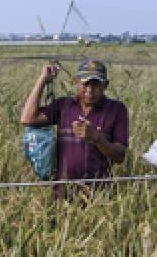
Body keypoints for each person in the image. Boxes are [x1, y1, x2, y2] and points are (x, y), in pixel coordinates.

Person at [20, 59, 129, 195]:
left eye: (95, 84)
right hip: (62, 192)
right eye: (85, 83)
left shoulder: (116, 109)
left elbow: (119, 156)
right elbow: (27, 118)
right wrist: (42, 79)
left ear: (105, 85)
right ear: (76, 81)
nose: (89, 90)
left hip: (100, 194)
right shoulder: (64, 106)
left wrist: (97, 138)